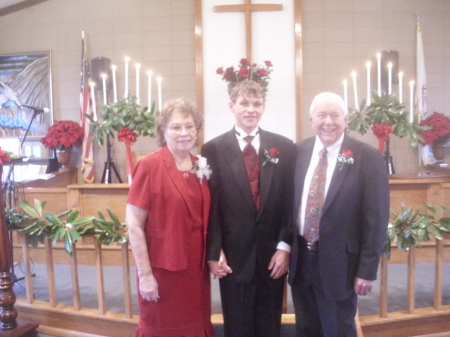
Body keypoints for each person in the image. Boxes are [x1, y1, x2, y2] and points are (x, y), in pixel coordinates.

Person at [289, 92, 390, 337]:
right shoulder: (297, 152)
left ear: (346, 119)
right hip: (302, 260)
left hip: (341, 264)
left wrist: (366, 270)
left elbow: (376, 219)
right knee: (307, 328)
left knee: (338, 328)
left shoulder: (367, 158)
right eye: (321, 115)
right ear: (311, 119)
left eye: (335, 115)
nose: (328, 122)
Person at [201, 80, 295, 337]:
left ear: (263, 108)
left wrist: (285, 247)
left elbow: (291, 203)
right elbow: (213, 205)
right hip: (233, 255)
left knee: (269, 326)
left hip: (272, 255)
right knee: (237, 326)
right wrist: (214, 250)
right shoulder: (213, 149)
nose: (251, 109)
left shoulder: (284, 148)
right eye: (244, 103)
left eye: (257, 104)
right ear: (232, 106)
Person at [126, 98, 214, 337]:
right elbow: (134, 225)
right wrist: (145, 276)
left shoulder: (200, 166)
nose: (184, 133)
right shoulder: (149, 165)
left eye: (190, 126)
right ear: (163, 131)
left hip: (195, 272)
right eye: (176, 127)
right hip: (163, 272)